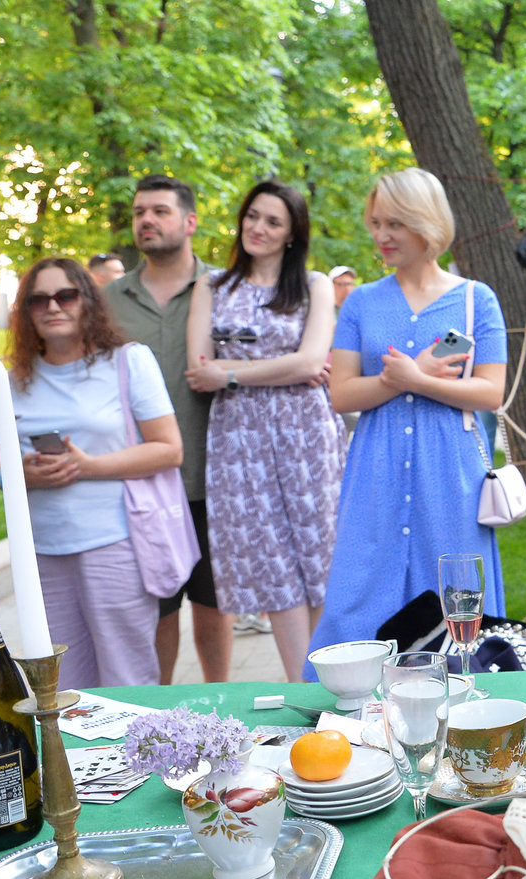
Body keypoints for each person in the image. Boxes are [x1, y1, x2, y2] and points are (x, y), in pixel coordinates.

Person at [306, 168, 507, 673]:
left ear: (427, 221)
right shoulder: (362, 301)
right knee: (359, 584)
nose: (380, 235)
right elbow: (342, 392)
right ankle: (351, 703)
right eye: (375, 222)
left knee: (454, 591)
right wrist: (400, 379)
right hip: (377, 466)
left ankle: (465, 704)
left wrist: (416, 379)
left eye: (394, 222)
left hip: (450, 470)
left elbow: (490, 391)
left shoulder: (474, 298)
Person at [0, 258, 181, 689]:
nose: (52, 306)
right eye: (38, 299)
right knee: (64, 688)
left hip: (114, 544)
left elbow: (169, 450)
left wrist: (86, 467)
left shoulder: (128, 361)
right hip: (43, 554)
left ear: (87, 301)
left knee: (127, 679)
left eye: (65, 295)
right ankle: (74, 760)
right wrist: (24, 477)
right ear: (26, 311)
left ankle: (135, 758)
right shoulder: (15, 378)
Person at [184, 180, 345, 683]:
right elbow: (198, 368)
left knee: (320, 555)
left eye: (273, 221)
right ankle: (302, 682)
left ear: (293, 233)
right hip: (239, 440)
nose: (258, 228)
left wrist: (233, 372)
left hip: (305, 434)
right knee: (271, 558)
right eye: (252, 215)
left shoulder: (315, 285)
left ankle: (327, 676)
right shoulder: (212, 286)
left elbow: (313, 360)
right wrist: (286, 366)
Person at [104, 175, 234, 683]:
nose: (147, 221)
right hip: (139, 486)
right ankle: (157, 712)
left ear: (190, 221)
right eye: (139, 212)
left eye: (159, 211)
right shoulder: (108, 300)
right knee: (155, 610)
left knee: (213, 603)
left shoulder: (224, 291)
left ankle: (221, 701)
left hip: (214, 476)